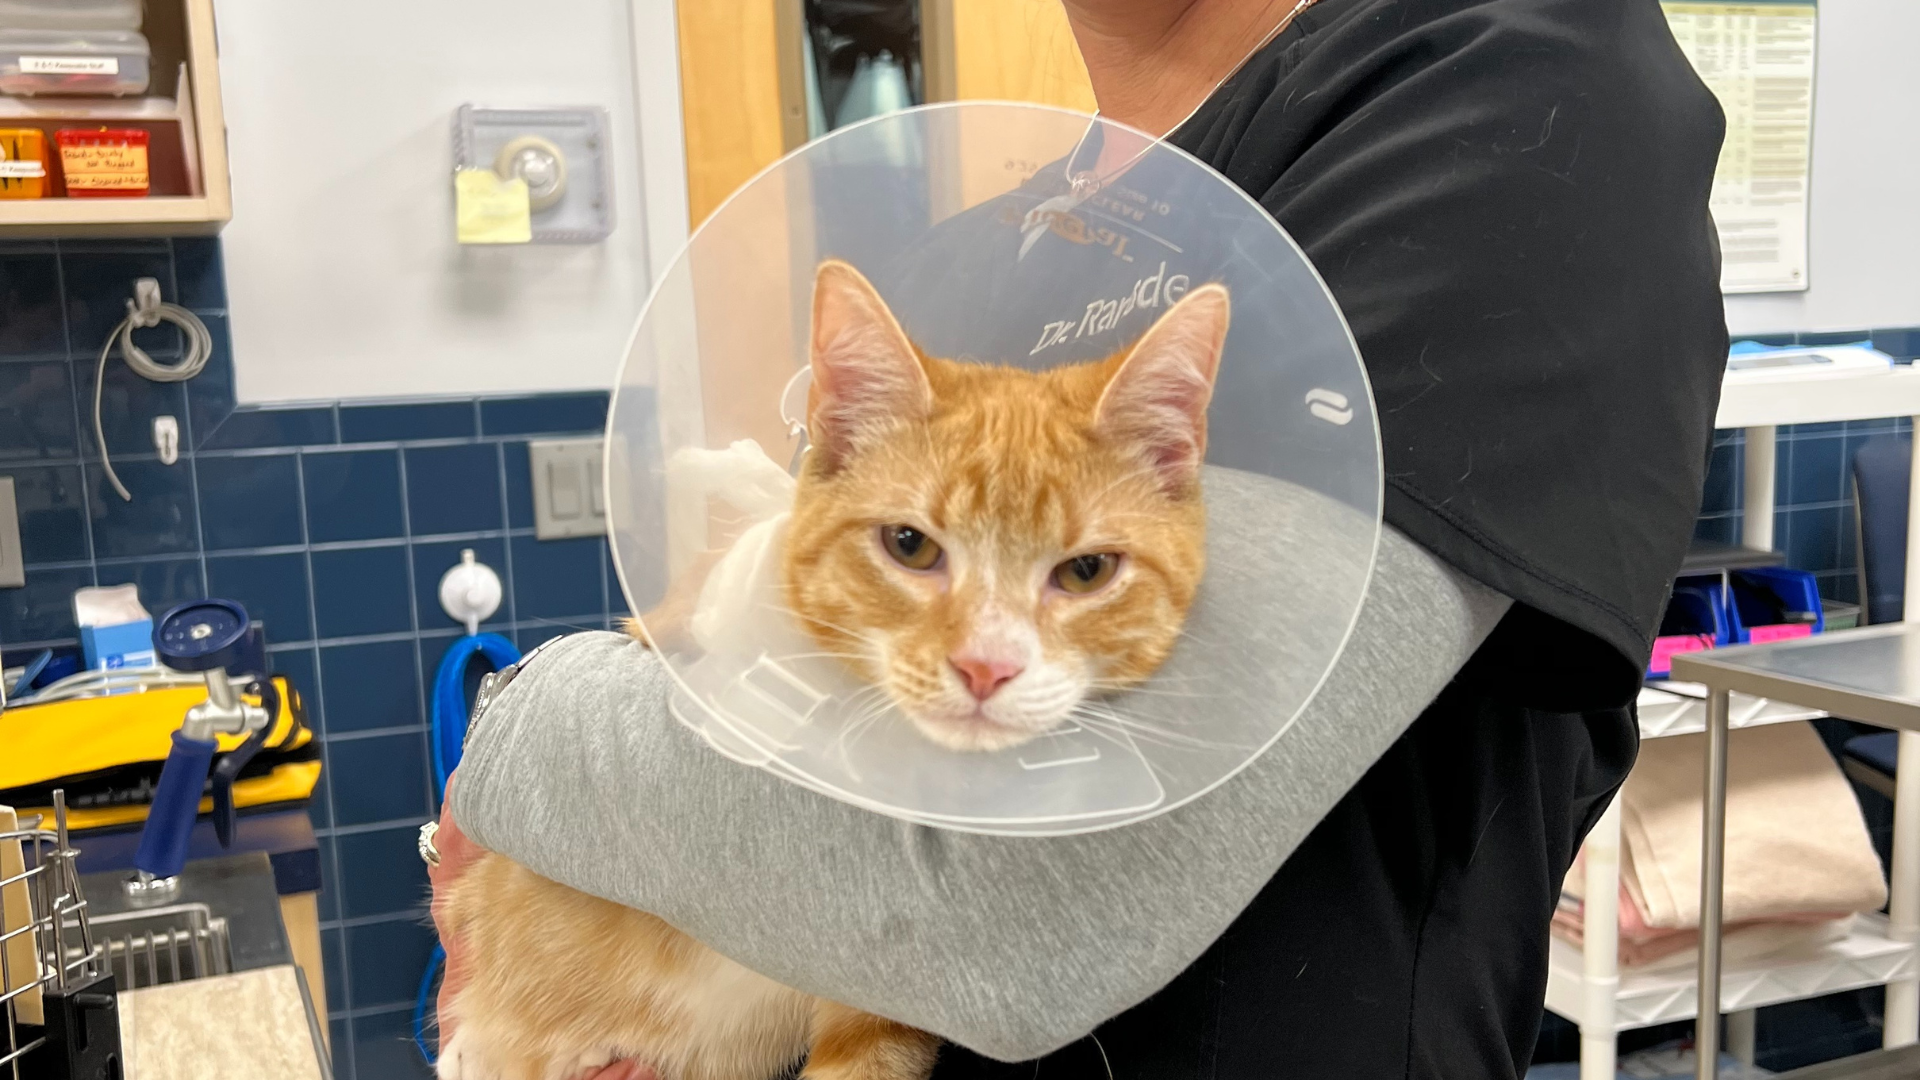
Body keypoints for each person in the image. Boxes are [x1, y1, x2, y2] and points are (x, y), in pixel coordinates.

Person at [431, 0, 1727, 1076]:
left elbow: (1001, 915)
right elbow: (772, 718)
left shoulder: (1507, 89)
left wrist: (521, 737)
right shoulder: (969, 252)